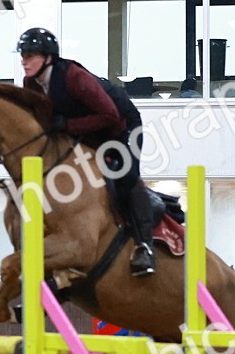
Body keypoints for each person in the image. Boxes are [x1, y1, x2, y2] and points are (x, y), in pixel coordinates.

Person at [17, 27, 155, 276]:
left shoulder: (73, 77)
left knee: (126, 175)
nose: (24, 61)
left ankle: (144, 246)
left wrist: (67, 125)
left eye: (31, 55)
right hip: (87, 132)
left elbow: (109, 115)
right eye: (23, 55)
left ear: (48, 57)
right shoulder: (31, 84)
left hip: (122, 126)